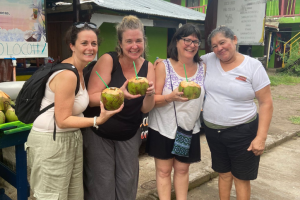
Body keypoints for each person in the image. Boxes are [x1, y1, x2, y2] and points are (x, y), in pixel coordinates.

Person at [25, 22, 123, 200]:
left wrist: (121, 93)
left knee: (74, 196)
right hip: (52, 141)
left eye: (94, 44)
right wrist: (97, 121)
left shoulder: (80, 71)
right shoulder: (67, 75)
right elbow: (62, 120)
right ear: (72, 45)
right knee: (52, 197)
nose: (90, 48)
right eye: (84, 43)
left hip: (71, 139)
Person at [82, 15, 155, 200]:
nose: (134, 45)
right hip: (100, 132)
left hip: (129, 134)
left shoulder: (149, 67)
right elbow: (91, 98)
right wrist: (120, 93)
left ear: (144, 42)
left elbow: (145, 109)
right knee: (102, 184)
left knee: (127, 183)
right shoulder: (108, 60)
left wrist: (150, 94)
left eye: (138, 40)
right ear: (120, 43)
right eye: (128, 41)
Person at [201, 26, 273, 200]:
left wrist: (261, 137)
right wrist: (162, 62)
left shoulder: (253, 66)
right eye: (214, 46)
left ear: (234, 39)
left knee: (241, 177)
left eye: (222, 42)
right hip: (213, 131)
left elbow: (266, 103)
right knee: (223, 174)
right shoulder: (207, 60)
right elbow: (185, 61)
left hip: (242, 132)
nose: (219, 48)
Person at [146, 23, 205, 200]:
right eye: (187, 40)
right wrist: (170, 97)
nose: (192, 45)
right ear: (177, 42)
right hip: (163, 128)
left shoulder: (203, 66)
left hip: (188, 128)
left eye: (196, 41)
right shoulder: (163, 66)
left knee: (182, 170)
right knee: (164, 172)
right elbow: (152, 101)